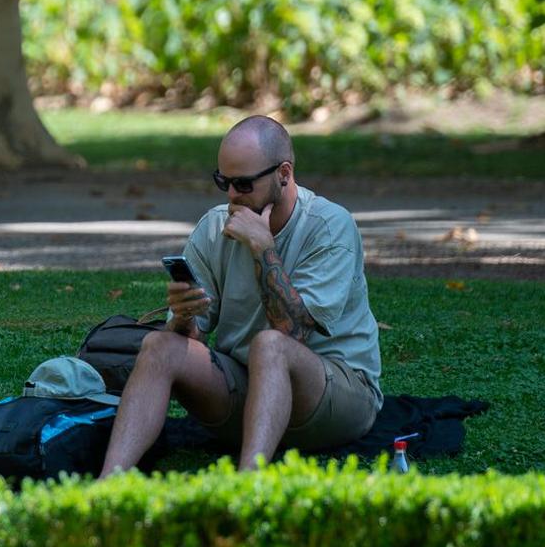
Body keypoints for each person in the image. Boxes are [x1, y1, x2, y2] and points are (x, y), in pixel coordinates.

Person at [98, 115, 382, 475]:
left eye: (244, 184)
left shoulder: (329, 226)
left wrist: (263, 248)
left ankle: (248, 483)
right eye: (224, 181)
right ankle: (108, 484)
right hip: (250, 393)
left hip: (335, 400)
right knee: (159, 346)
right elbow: (193, 343)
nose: (232, 195)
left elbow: (292, 332)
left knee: (270, 345)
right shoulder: (213, 228)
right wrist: (185, 318)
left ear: (284, 174)